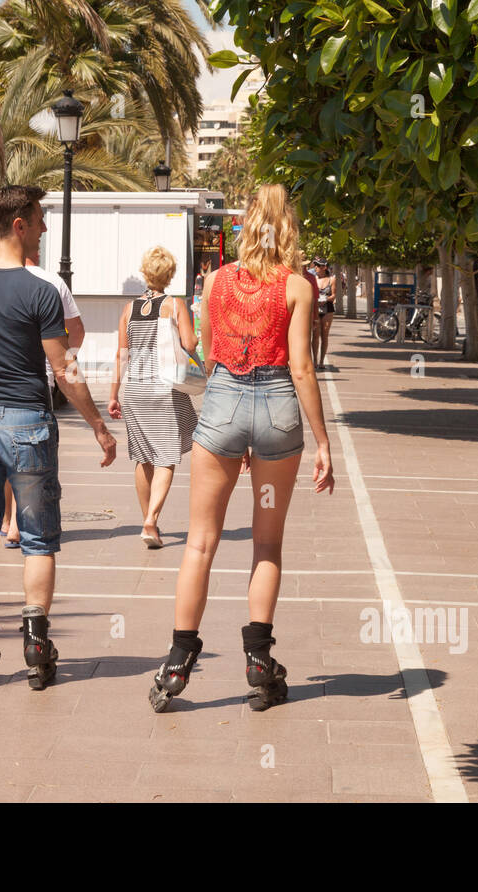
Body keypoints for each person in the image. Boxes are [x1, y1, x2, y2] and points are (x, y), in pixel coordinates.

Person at [148, 184, 334, 714]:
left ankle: (179, 660)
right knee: (267, 544)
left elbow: (206, 354)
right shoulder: (299, 286)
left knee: (201, 543)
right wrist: (322, 443)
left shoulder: (216, 281)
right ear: (288, 227)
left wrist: (232, 421)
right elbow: (301, 367)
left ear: (247, 224)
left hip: (223, 404)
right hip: (278, 412)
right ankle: (258, 660)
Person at [0, 184, 117, 691]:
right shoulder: (40, 291)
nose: (44, 228)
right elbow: (64, 367)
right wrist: (100, 428)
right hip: (28, 426)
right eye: (40, 220)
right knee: (38, 541)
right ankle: (37, 643)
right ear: (18, 225)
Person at [106, 245, 199, 549]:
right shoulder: (175, 305)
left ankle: (150, 522)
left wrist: (113, 395)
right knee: (166, 457)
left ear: (145, 272)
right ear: (170, 274)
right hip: (164, 390)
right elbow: (189, 342)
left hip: (135, 390)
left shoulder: (128, 309)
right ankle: (150, 520)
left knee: (144, 457)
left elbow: (122, 354)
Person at [0, 236, 88, 546]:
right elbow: (76, 331)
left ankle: (8, 520)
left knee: (6, 455)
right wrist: (63, 356)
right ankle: (21, 524)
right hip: (37, 381)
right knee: (30, 457)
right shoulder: (52, 282)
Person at [313, 259, 336, 370]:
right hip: (316, 309)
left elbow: (334, 295)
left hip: (328, 309)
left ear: (324, 267)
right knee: (315, 335)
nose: (315, 267)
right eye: (315, 265)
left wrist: (326, 299)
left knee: (324, 335)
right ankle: (315, 360)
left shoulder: (332, 279)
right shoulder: (314, 279)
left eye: (318, 266)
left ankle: (322, 361)